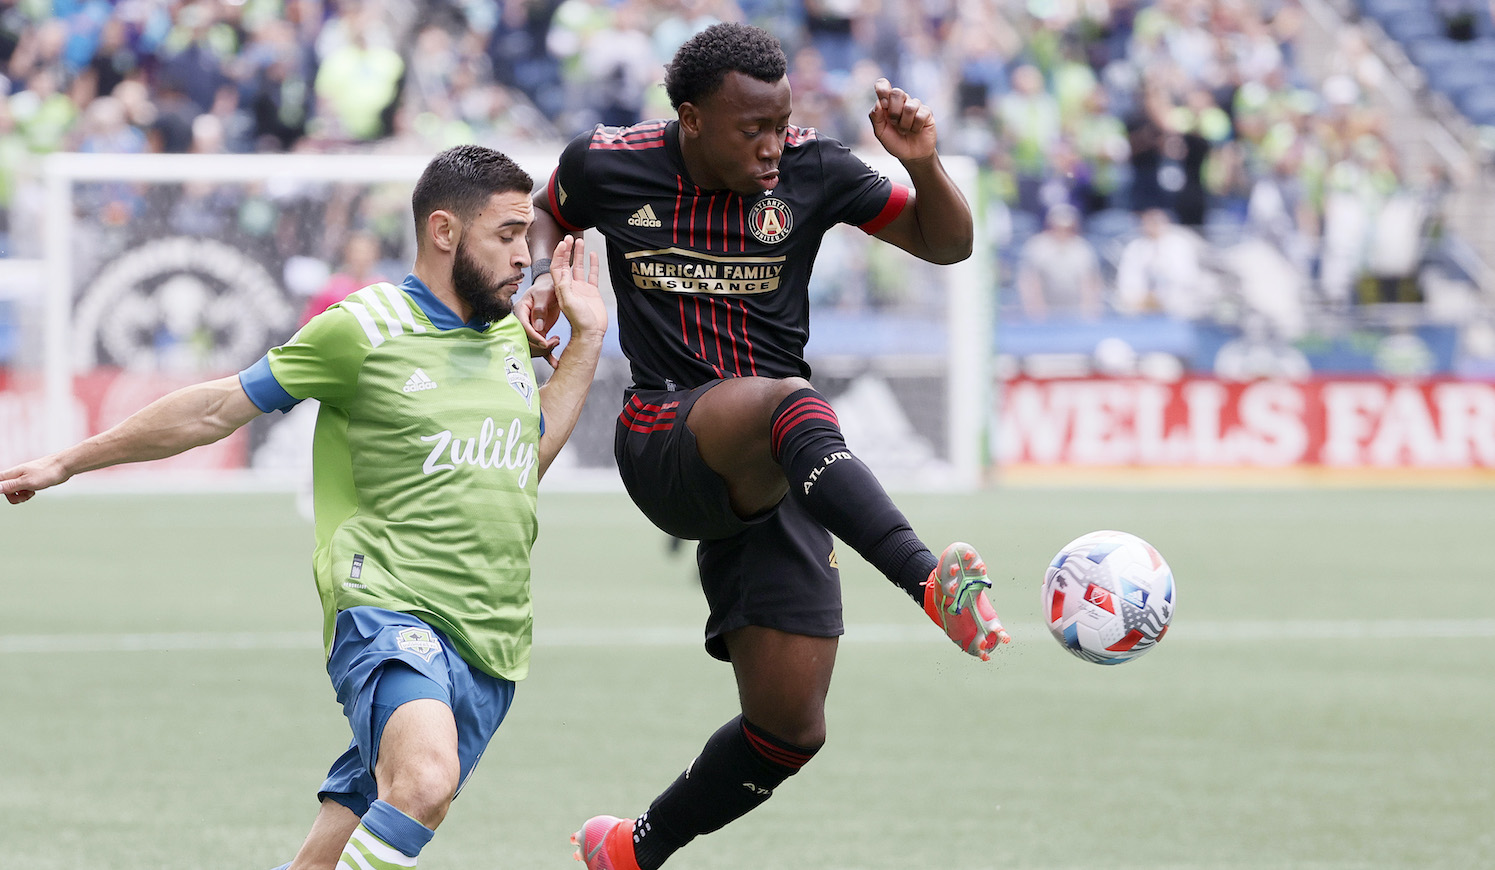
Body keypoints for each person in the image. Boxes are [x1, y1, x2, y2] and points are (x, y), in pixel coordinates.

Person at [1, 145, 608, 870]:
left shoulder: (508, 335)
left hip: (492, 635)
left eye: (526, 236)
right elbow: (215, 408)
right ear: (444, 231)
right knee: (423, 782)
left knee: (336, 850)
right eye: (506, 235)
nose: (525, 256)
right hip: (389, 606)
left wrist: (588, 338)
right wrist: (68, 459)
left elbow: (522, 463)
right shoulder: (366, 327)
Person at [516, 23, 1009, 870]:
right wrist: (537, 276)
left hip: (781, 464)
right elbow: (539, 213)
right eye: (754, 130)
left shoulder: (815, 170)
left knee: (788, 728)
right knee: (790, 400)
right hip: (664, 435)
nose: (775, 147)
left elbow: (947, 244)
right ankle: (928, 581)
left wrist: (921, 162)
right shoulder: (608, 160)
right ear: (691, 118)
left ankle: (633, 850)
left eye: (782, 124)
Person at [1016, 203, 1105, 320]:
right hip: (1044, 316)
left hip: (1076, 315)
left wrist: (1088, 316)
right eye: (1058, 227)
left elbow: (1089, 284)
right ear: (1050, 226)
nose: (1063, 232)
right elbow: (1030, 282)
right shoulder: (1036, 247)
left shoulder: (1083, 249)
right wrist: (1038, 316)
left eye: (1068, 228)